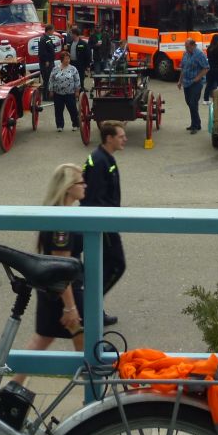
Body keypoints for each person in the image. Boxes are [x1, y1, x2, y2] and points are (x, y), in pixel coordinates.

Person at [14, 163, 87, 383]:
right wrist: (70, 307)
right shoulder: (62, 224)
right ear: (67, 188)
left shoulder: (58, 215)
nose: (85, 185)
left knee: (44, 339)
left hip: (53, 291)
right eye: (80, 182)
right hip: (65, 292)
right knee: (87, 344)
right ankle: (94, 393)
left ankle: (11, 387)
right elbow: (61, 267)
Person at [81, 121, 128, 325]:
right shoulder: (99, 161)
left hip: (106, 221)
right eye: (120, 136)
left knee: (100, 268)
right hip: (102, 224)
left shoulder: (105, 157)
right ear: (109, 138)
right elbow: (93, 199)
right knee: (117, 265)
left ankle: (92, 309)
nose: (124, 139)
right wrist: (106, 224)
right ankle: (89, 306)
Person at [178, 38, 209, 133]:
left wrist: (198, 78)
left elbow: (206, 68)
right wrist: (180, 81)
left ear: (193, 45)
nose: (186, 49)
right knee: (189, 103)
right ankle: (196, 123)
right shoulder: (185, 54)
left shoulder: (200, 55)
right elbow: (183, 68)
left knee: (193, 103)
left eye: (187, 47)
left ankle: (195, 126)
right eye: (185, 47)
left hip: (196, 83)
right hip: (186, 82)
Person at [48, 50, 81, 132]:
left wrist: (77, 91)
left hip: (70, 93)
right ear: (61, 60)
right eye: (66, 59)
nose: (67, 60)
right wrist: (51, 90)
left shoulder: (73, 69)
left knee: (73, 109)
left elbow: (77, 80)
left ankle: (75, 124)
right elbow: (51, 80)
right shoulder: (55, 69)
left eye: (68, 59)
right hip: (58, 93)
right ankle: (59, 125)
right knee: (58, 110)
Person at [67, 26, 91, 91]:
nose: (70, 35)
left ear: (75, 34)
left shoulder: (83, 44)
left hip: (80, 64)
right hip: (72, 63)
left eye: (71, 33)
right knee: (72, 77)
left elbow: (88, 55)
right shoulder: (70, 43)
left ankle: (81, 90)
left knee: (80, 77)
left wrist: (88, 66)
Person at [37, 24, 58, 92]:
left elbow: (49, 47)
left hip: (50, 61)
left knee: (51, 78)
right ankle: (46, 95)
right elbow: (42, 51)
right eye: (52, 30)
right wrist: (46, 61)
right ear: (48, 30)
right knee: (47, 78)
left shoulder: (48, 38)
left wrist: (55, 45)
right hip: (46, 63)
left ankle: (49, 93)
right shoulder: (43, 39)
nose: (53, 32)